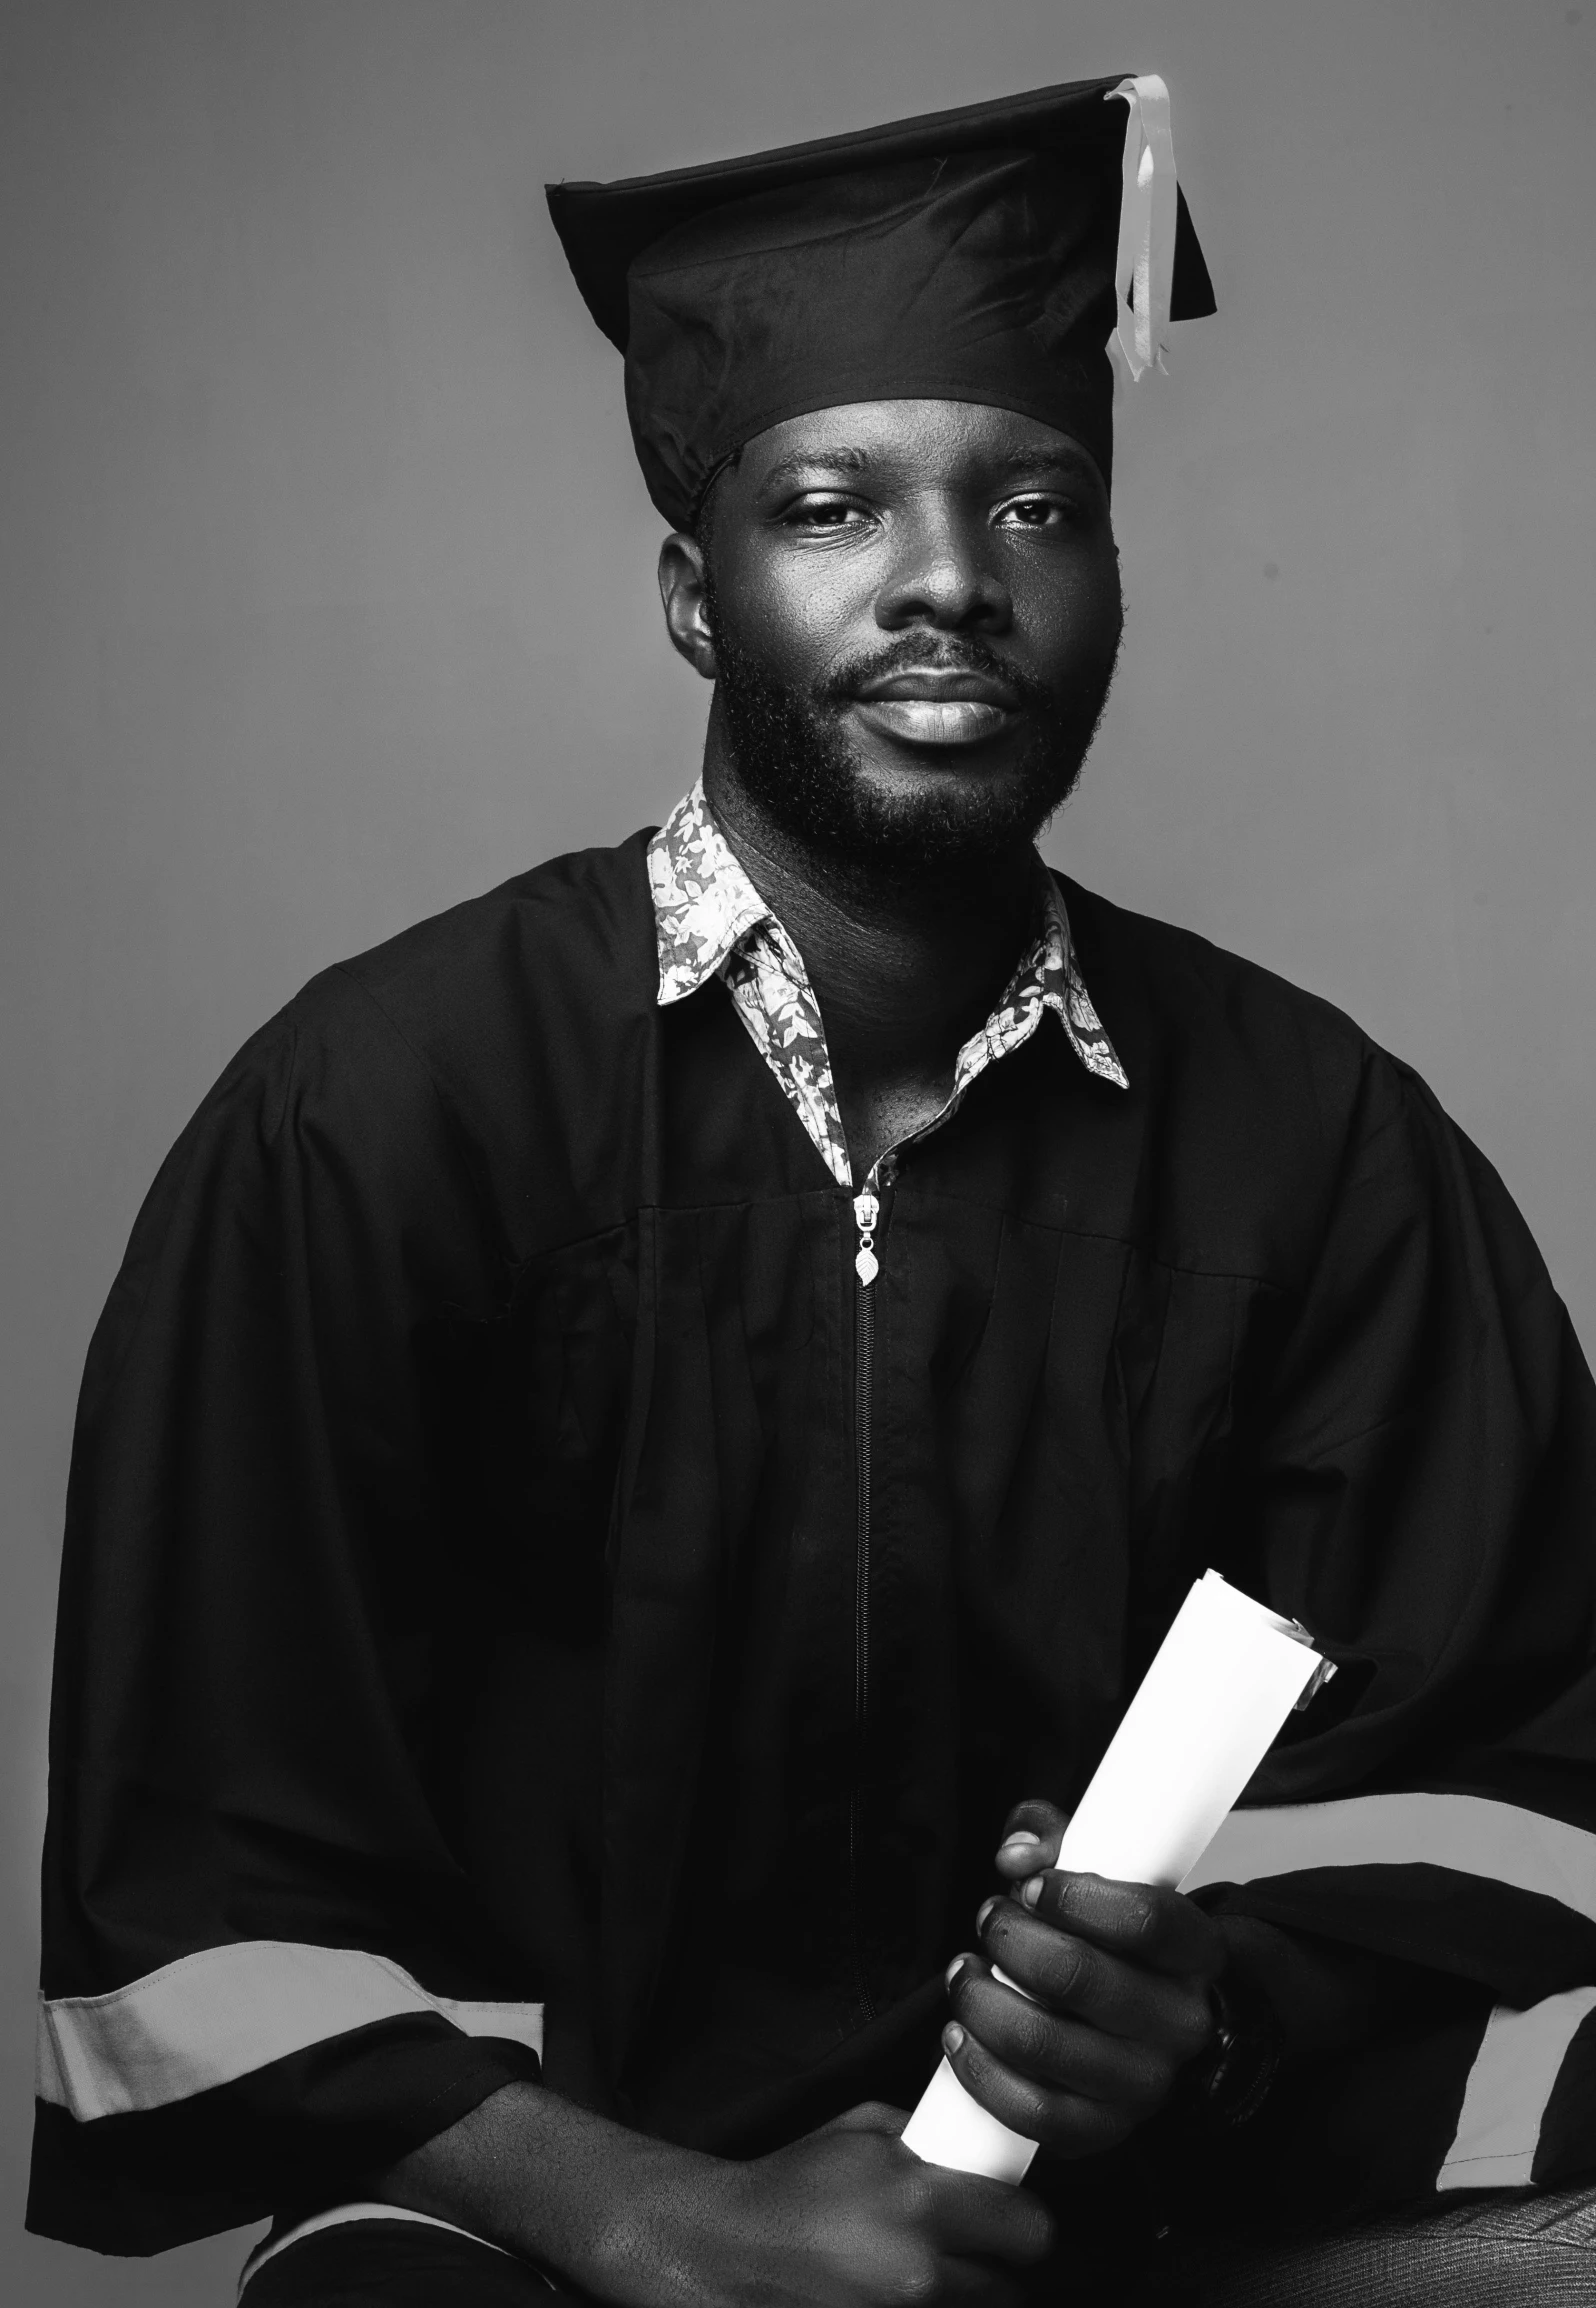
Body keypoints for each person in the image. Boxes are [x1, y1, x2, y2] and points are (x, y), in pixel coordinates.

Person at [28, 74, 1596, 2308]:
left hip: (1145, 2210)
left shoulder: (1318, 1139)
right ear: (697, 590)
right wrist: (655, 2211)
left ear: (1111, 572)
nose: (951, 581)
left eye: (1037, 502)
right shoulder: (378, 1113)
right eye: (837, 505)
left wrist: (1206, 1999)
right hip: (541, 2218)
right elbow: (200, 1872)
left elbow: (1518, 1753)